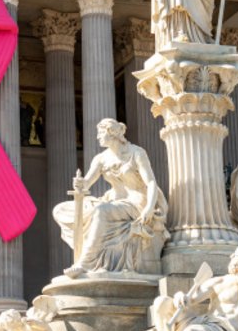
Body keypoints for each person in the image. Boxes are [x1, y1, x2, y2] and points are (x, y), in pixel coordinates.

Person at [52, 118, 167, 278]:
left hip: (136, 202)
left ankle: (85, 263)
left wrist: (149, 208)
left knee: (101, 211)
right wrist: (80, 183)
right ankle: (91, 253)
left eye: (100, 133)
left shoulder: (136, 153)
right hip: (113, 202)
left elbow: (151, 182)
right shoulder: (100, 159)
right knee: (60, 210)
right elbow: (86, 183)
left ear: (112, 133)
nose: (97, 137)